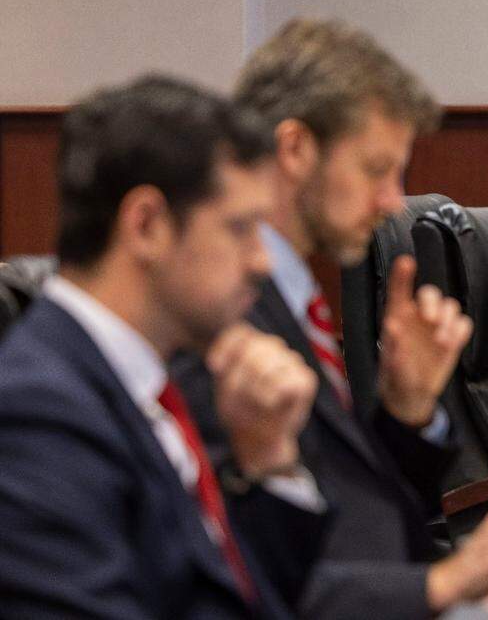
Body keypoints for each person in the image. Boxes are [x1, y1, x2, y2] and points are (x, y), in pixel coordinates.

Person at [174, 18, 488, 619]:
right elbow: (241, 565)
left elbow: (358, 517)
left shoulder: (290, 297)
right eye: (375, 169)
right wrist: (444, 582)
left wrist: (408, 411)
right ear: (295, 149)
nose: (393, 200)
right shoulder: (217, 311)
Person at [0, 77, 326, 618]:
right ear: (147, 225)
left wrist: (267, 459)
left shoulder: (148, 380)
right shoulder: (38, 413)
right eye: (241, 228)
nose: (261, 260)